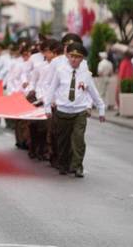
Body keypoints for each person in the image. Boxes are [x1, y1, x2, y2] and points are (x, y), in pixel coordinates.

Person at [44, 43, 106, 178]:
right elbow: (51, 89)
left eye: (77, 57)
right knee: (63, 141)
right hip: (62, 111)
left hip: (79, 111)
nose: (74, 59)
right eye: (71, 56)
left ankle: (77, 166)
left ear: (82, 58)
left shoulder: (86, 74)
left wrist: (101, 109)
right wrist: (47, 106)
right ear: (68, 57)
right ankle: (64, 165)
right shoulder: (60, 71)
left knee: (78, 140)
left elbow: (94, 93)